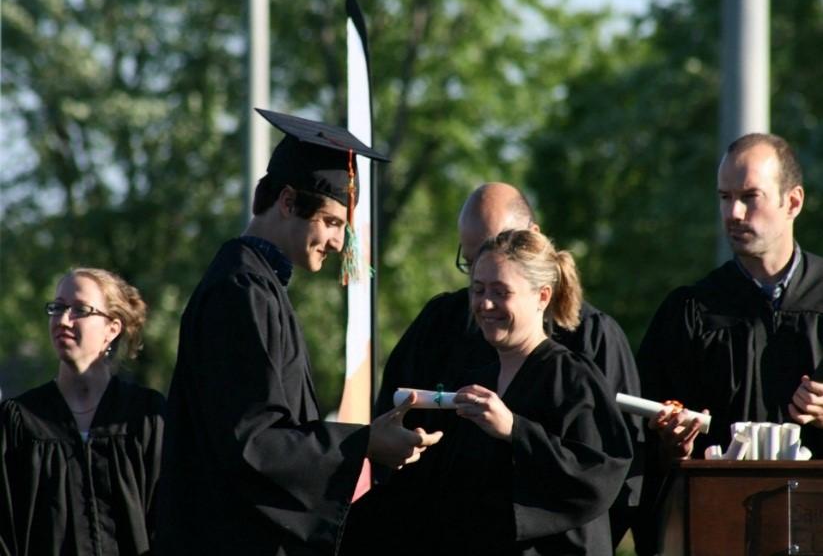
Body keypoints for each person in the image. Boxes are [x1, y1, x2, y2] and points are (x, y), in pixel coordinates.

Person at [155, 110, 442, 556]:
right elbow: (253, 444)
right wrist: (362, 442)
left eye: (343, 229)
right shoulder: (242, 293)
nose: (337, 243)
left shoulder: (257, 285)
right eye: (331, 222)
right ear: (287, 201)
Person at [375, 182, 644, 548]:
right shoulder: (478, 377)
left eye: (500, 292)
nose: (485, 305)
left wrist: (515, 430)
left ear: (541, 296)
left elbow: (599, 474)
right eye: (477, 288)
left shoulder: (575, 380)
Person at [635, 133, 823, 554]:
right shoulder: (691, 312)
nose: (733, 213)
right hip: (721, 530)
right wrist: (671, 442)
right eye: (724, 197)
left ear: (792, 202)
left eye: (749, 196)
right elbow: (645, 452)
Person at [0, 267, 164, 556]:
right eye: (58, 308)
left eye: (80, 310)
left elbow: (172, 518)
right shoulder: (20, 420)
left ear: (112, 329)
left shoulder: (146, 416)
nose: (63, 319)